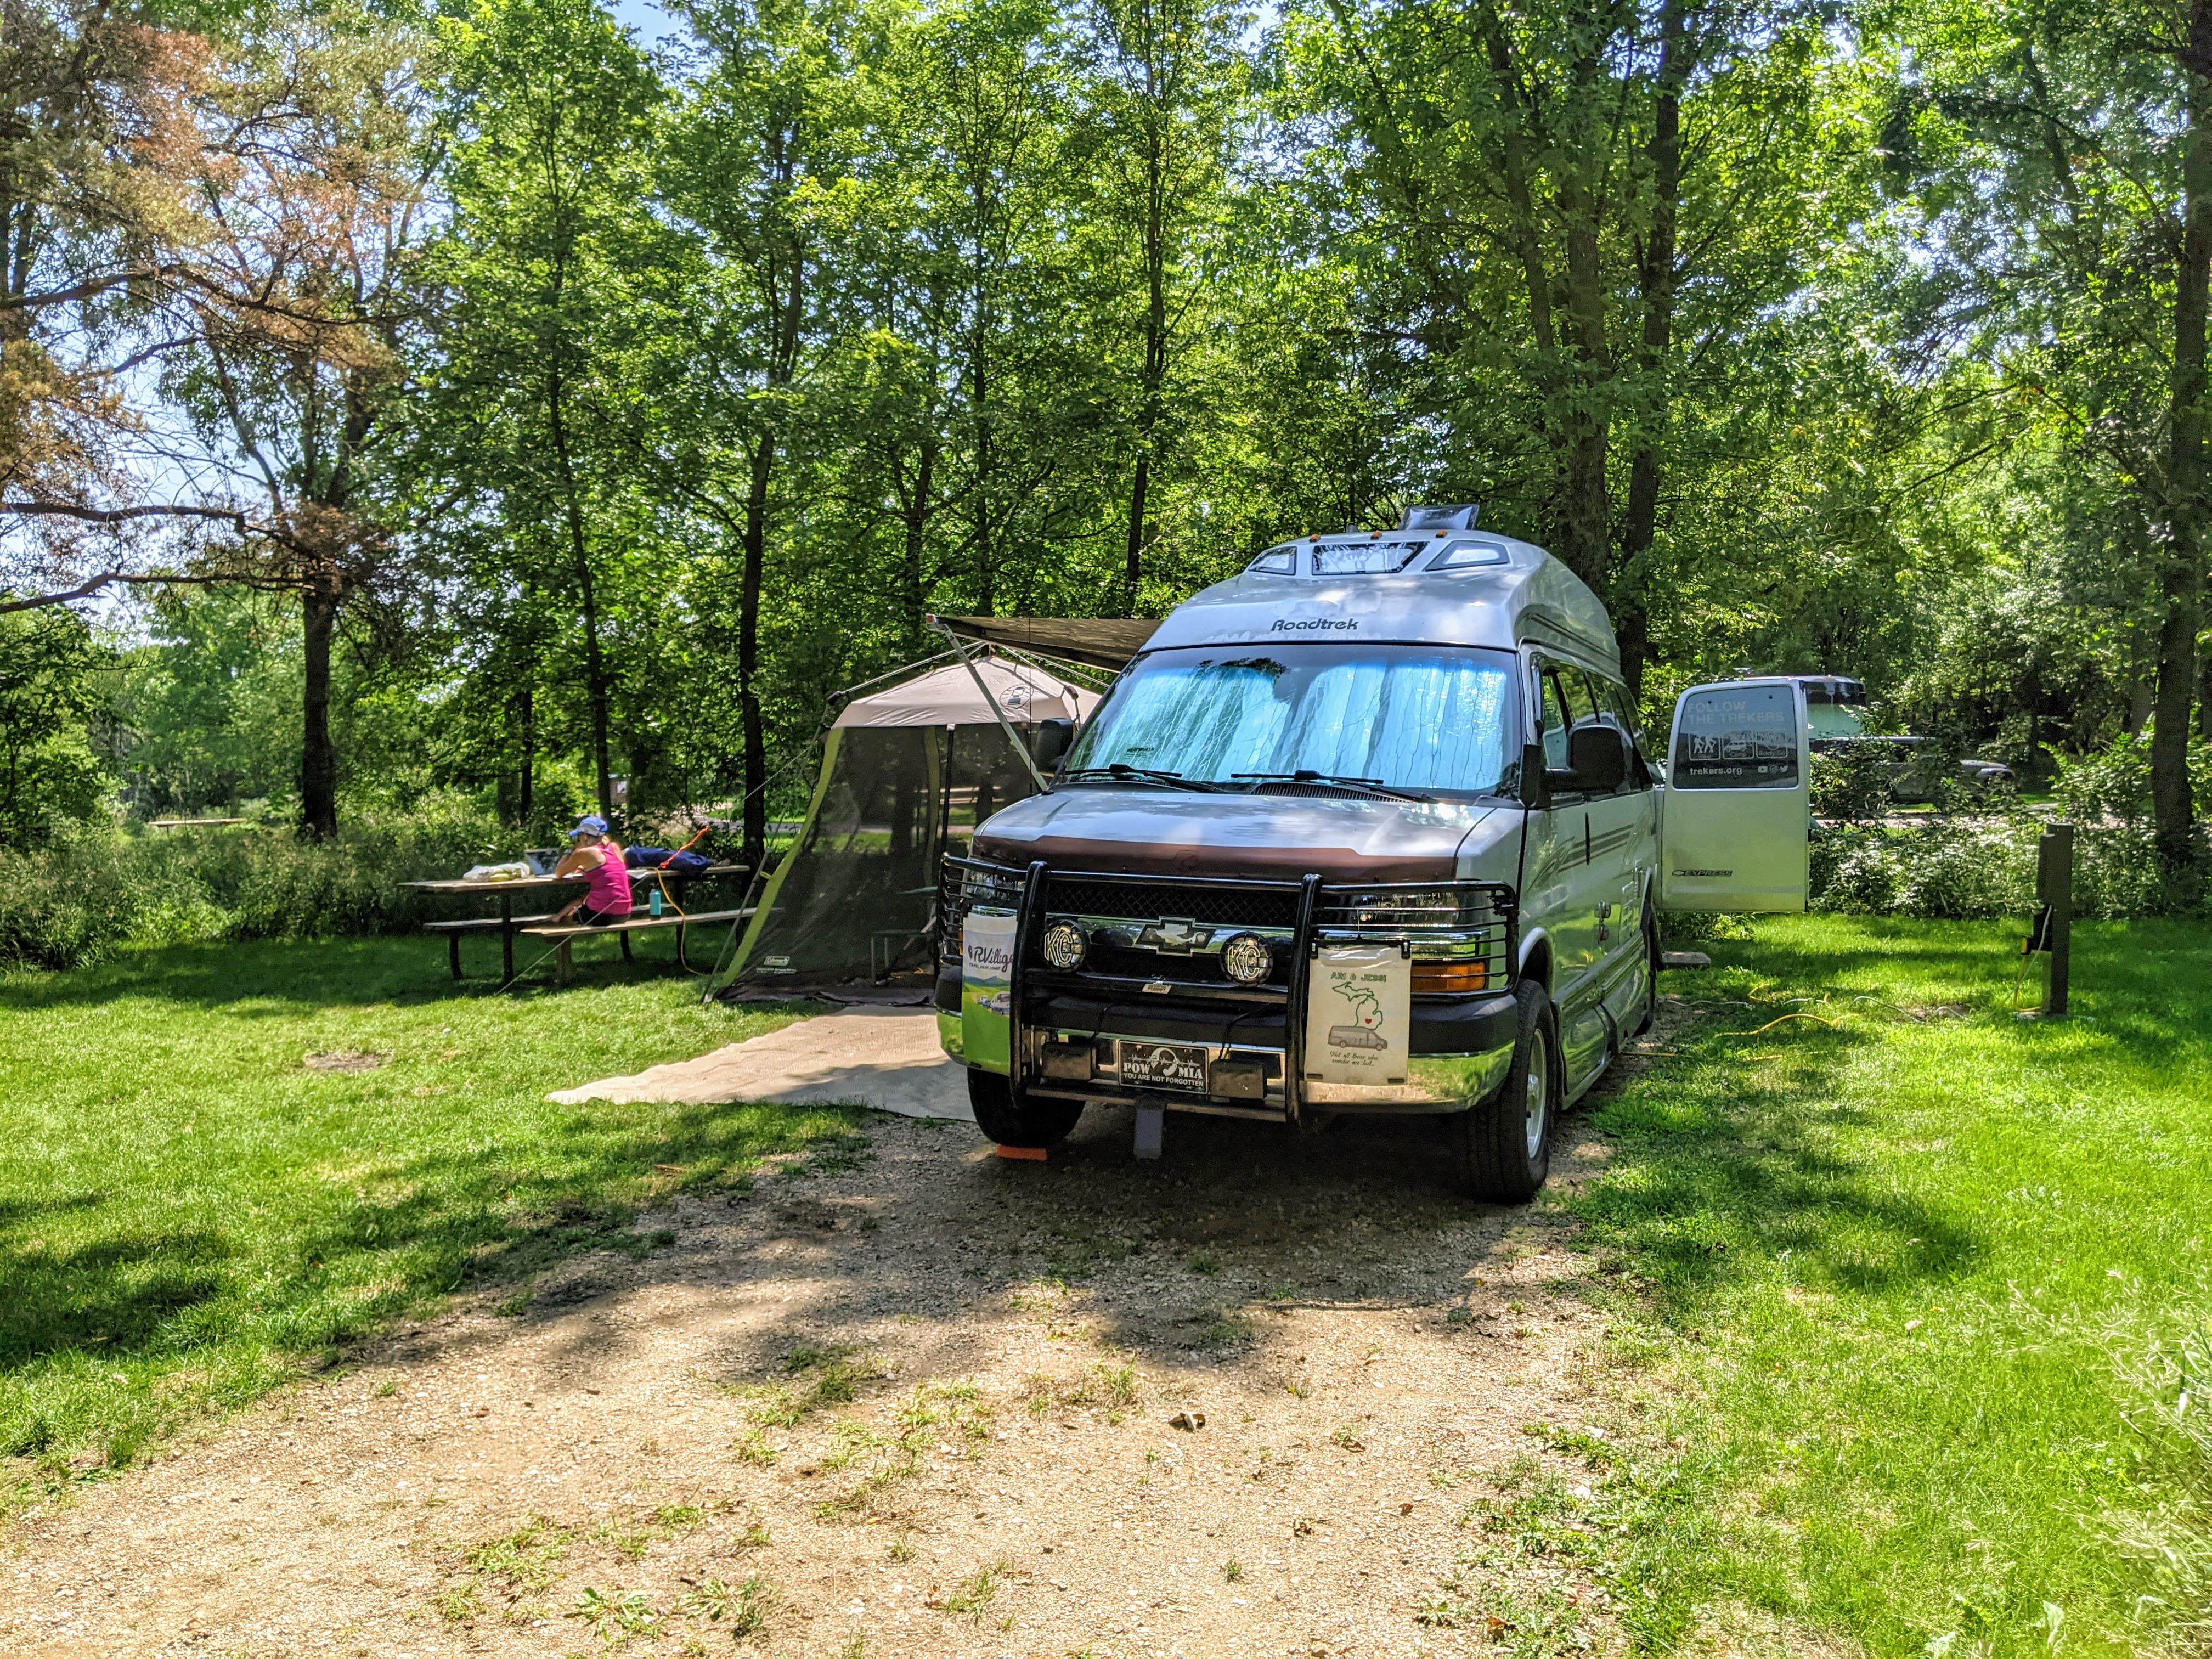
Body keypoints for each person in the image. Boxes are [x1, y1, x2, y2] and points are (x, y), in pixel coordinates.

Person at [552, 815, 634, 925]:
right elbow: (610, 869)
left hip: (602, 914)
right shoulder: (614, 847)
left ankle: (557, 920)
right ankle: (558, 917)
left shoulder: (583, 853)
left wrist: (569, 851)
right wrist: (584, 867)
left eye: (579, 837)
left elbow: (559, 872)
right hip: (625, 913)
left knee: (566, 919)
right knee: (586, 897)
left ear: (585, 837)